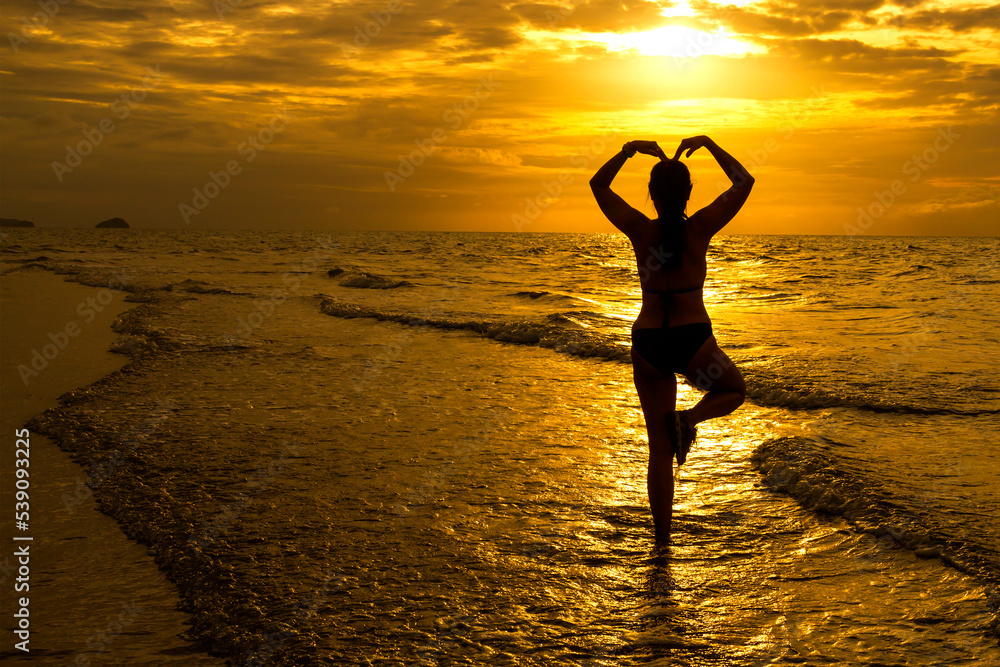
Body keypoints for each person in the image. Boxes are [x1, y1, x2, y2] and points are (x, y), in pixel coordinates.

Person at [589, 136, 752, 542]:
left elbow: (598, 185)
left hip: (649, 344)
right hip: (693, 339)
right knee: (732, 389)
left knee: (659, 450)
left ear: (651, 194)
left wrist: (627, 152)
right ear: (689, 192)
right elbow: (743, 181)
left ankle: (662, 544)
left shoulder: (640, 229)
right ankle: (689, 419)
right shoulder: (699, 226)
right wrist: (711, 144)